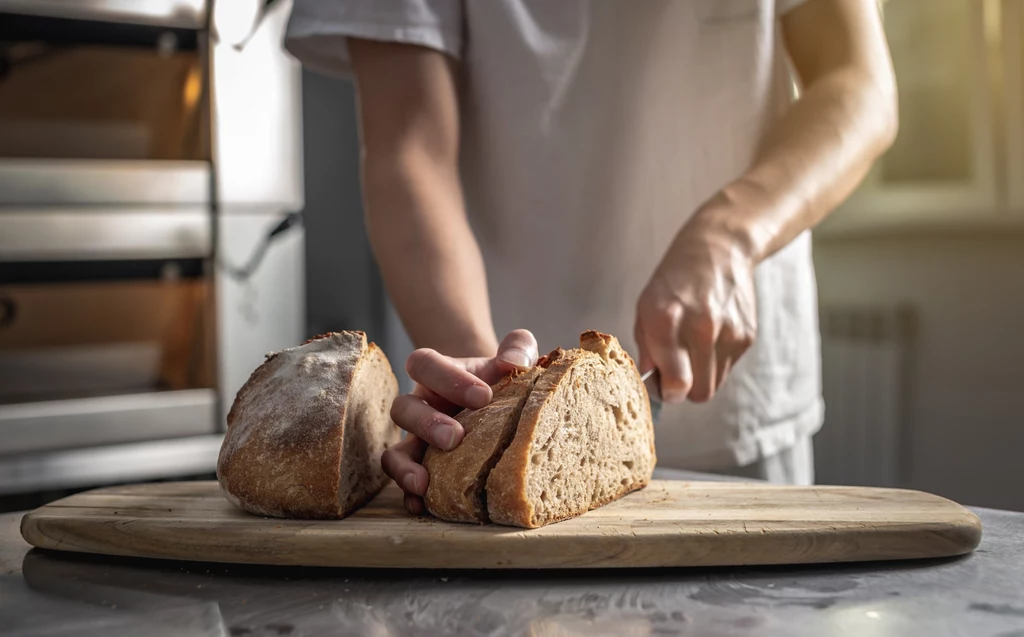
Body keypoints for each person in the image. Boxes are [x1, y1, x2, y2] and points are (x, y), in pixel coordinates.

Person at [284, 0, 898, 513]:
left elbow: (857, 84)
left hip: (737, 402)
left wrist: (728, 234)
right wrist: (484, 403)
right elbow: (408, 149)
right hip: (493, 364)